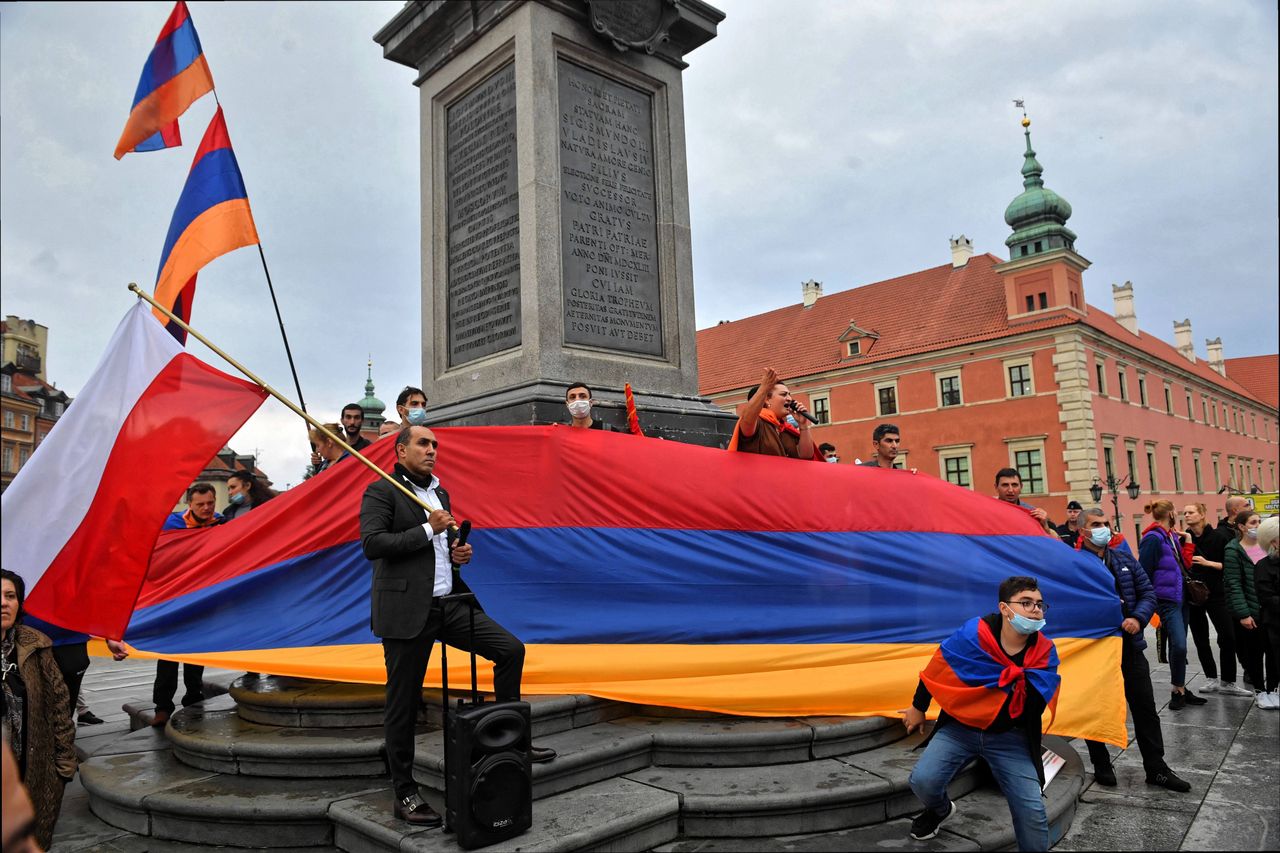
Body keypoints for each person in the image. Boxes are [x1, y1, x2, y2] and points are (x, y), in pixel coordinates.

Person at [359, 425, 556, 827]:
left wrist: (457, 552)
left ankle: (511, 741)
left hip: (449, 604)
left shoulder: (440, 491)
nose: (431, 450)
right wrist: (429, 528)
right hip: (406, 610)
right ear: (401, 450)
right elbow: (373, 544)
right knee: (404, 702)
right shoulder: (382, 490)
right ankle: (404, 790)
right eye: (423, 444)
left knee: (509, 649)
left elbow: (439, 550)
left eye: (434, 445)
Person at [903, 576, 1060, 851]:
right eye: (1026, 603)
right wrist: (918, 707)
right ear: (1004, 608)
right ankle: (939, 810)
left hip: (1010, 738)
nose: (1035, 610)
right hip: (960, 729)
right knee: (923, 780)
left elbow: (1034, 707)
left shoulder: (1044, 653)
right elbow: (939, 666)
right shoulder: (974, 634)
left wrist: (1018, 681)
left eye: (1039, 604)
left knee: (1032, 812)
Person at [1076, 508, 1191, 792]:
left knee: (1144, 707)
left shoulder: (1125, 559)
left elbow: (1148, 593)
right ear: (1082, 531)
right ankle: (1101, 761)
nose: (1103, 528)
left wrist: (1137, 618)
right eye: (1095, 524)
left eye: (1106, 523)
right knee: (1096, 706)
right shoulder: (1073, 564)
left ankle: (1157, 768)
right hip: (1094, 649)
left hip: (1129, 646)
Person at [1, 570, 77, 850]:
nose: (3, 603)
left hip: (33, 769)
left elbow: (60, 704)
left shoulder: (37, 645)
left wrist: (63, 766)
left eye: (10, 596)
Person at [153, 483, 222, 726]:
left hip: (202, 600)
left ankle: (193, 698)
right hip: (172, 600)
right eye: (200, 504)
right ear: (189, 504)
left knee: (195, 654)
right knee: (167, 656)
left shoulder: (222, 524)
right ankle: (162, 707)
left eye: (210, 503)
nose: (206, 508)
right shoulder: (170, 525)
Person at [1138, 500, 1205, 710]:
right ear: (1171, 513)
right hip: (1166, 599)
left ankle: (1180, 688)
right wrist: (1151, 602)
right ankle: (1177, 690)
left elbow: (1184, 564)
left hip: (1181, 596)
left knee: (1180, 646)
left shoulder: (1170, 536)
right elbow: (1144, 571)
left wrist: (1188, 541)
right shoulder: (1152, 538)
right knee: (1179, 645)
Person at [1183, 502, 1251, 697]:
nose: (1187, 515)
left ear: (1203, 514)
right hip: (1193, 595)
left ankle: (1228, 681)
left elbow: (1231, 567)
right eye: (1185, 513)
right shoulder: (1183, 539)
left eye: (1191, 512)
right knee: (1200, 638)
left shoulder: (1219, 537)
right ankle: (1211, 678)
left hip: (1217, 594)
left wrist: (1208, 563)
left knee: (1228, 636)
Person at [1223, 510, 1276, 709]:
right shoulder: (1233, 550)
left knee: (1273, 652)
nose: (1257, 525)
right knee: (1255, 654)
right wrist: (1244, 613)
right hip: (1252, 611)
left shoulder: (1268, 547)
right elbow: (1233, 584)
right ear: (1241, 527)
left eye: (1259, 521)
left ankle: (1273, 689)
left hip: (1271, 609)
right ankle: (1260, 691)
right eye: (1253, 522)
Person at [726, 367, 817, 460]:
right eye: (783, 394)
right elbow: (746, 420)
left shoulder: (786, 429)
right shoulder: (758, 423)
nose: (790, 398)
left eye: (789, 394)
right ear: (767, 399)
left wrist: (803, 425)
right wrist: (764, 387)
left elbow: (806, 456)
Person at [1254, 516, 1280, 710]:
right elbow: (1266, 597)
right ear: (1273, 541)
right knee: (1274, 657)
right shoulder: (1263, 566)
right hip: (1275, 622)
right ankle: (1273, 689)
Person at [994, 469, 1053, 534]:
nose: (1010, 490)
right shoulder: (989, 512)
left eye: (1014, 485)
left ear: (1021, 487)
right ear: (996, 487)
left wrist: (1045, 526)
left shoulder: (1032, 513)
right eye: (1005, 485)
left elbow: (1052, 541)